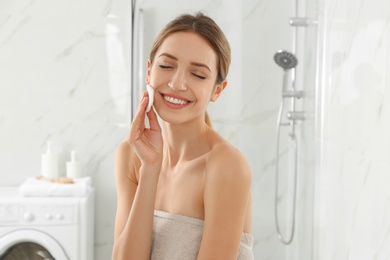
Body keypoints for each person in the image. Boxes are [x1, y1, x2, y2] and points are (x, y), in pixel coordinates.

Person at [113, 12, 253, 260]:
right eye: (166, 66)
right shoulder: (131, 155)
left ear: (217, 90)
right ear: (149, 72)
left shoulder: (225, 165)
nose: (177, 84)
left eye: (198, 75)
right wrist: (150, 167)